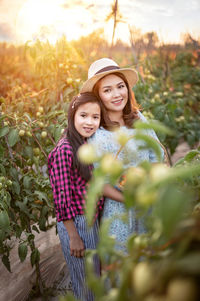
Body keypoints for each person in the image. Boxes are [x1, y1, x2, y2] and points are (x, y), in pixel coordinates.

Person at [80, 58, 165, 254]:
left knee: (151, 263)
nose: (117, 94)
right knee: (124, 264)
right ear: (98, 97)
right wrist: (128, 198)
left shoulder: (137, 118)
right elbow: (99, 180)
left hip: (149, 201)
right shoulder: (96, 131)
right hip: (119, 210)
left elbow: (155, 155)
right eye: (107, 90)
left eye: (120, 86)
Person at [48, 92, 123, 301]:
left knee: (93, 276)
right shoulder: (65, 149)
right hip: (77, 223)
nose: (89, 122)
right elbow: (61, 198)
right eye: (83, 115)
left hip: (89, 221)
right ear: (72, 115)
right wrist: (73, 236)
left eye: (95, 117)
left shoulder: (85, 144)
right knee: (86, 281)